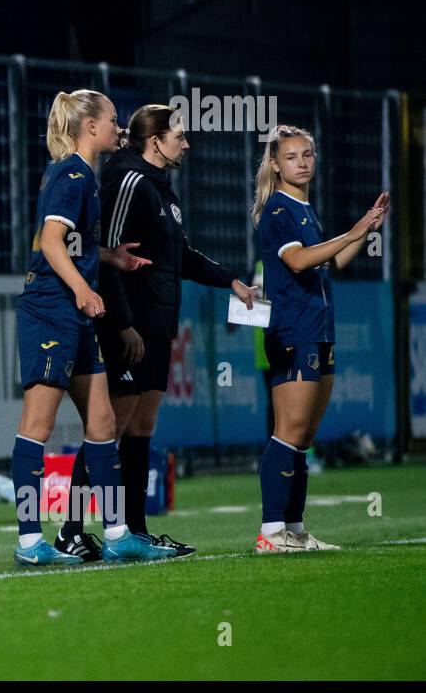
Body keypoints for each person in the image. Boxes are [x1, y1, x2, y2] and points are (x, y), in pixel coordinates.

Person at [55, 104, 257, 560]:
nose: (186, 143)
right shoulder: (127, 182)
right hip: (130, 326)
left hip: (158, 327)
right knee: (109, 426)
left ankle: (135, 532)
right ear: (156, 141)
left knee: (141, 426)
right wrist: (123, 324)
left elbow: (180, 255)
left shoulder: (162, 188)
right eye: (179, 136)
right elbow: (108, 256)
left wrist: (230, 281)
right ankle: (71, 529)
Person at [7, 89, 175, 566]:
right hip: (50, 310)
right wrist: (83, 288)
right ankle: (29, 542)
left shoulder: (80, 173)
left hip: (73, 316)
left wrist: (108, 257)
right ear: (91, 127)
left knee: (102, 423)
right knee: (37, 426)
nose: (119, 127)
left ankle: (118, 534)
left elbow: (70, 243)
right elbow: (52, 243)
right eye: (113, 119)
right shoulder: (72, 174)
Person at [251, 126, 388, 553]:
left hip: (319, 330)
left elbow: (334, 262)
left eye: (307, 154)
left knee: (305, 436)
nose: (302, 162)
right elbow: (297, 261)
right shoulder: (278, 210)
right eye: (291, 156)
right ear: (276, 165)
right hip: (294, 331)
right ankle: (271, 530)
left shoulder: (305, 210)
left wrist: (367, 229)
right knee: (288, 430)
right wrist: (352, 232)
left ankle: (293, 529)